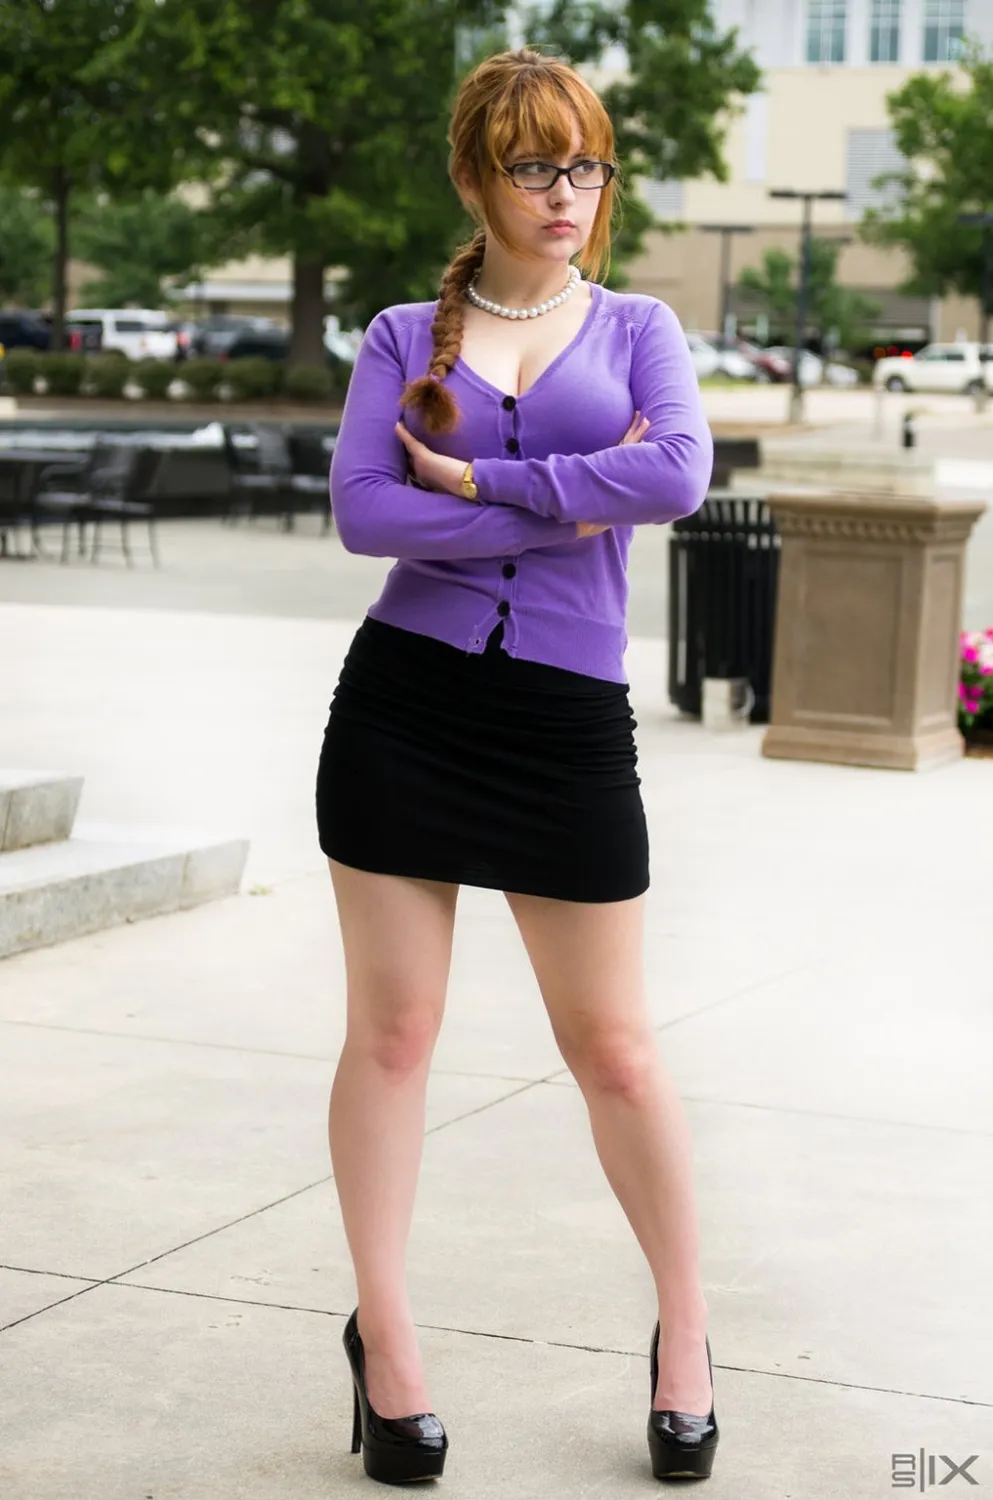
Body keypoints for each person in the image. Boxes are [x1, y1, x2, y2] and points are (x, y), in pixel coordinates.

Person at [316, 46, 718, 1487]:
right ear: (476, 179)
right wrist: (574, 504)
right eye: (536, 165)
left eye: (586, 164)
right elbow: (366, 515)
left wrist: (489, 485)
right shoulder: (396, 337)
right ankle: (389, 1344)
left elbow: (678, 473)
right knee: (394, 1036)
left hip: (562, 722)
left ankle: (686, 1333)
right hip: (405, 709)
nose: (567, 192)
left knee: (614, 1050)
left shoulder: (641, 328)